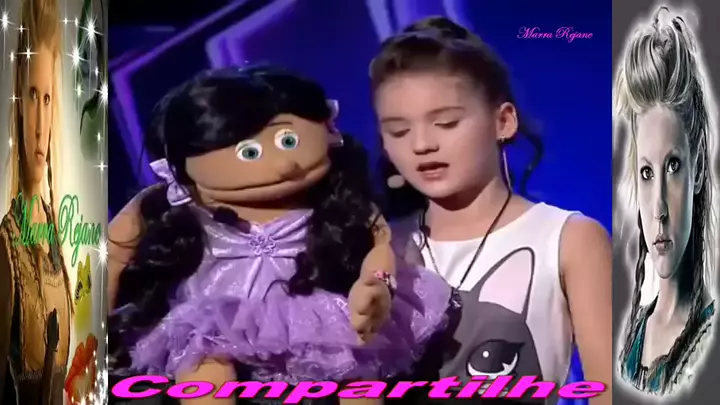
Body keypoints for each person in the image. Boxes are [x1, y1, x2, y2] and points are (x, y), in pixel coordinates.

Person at [107, 66, 452, 405]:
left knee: (354, 363)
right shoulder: (168, 205)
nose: (285, 165)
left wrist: (377, 284)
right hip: (218, 318)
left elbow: (379, 245)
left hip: (317, 314)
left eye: (288, 141)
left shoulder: (338, 203)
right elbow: (112, 255)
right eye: (250, 152)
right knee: (202, 359)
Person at [369, 17, 612, 404]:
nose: (421, 144)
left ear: (503, 121)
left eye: (446, 123)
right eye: (399, 131)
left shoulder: (568, 239)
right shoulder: (382, 248)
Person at [615, 6, 716, 396]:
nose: (657, 208)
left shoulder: (710, 343)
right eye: (646, 173)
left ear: (698, 169)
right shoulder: (632, 337)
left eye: (673, 166)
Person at [0, 0, 73, 404]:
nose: (41, 125)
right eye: (32, 97)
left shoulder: (56, 233)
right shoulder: (6, 244)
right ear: (17, 104)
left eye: (47, 99)